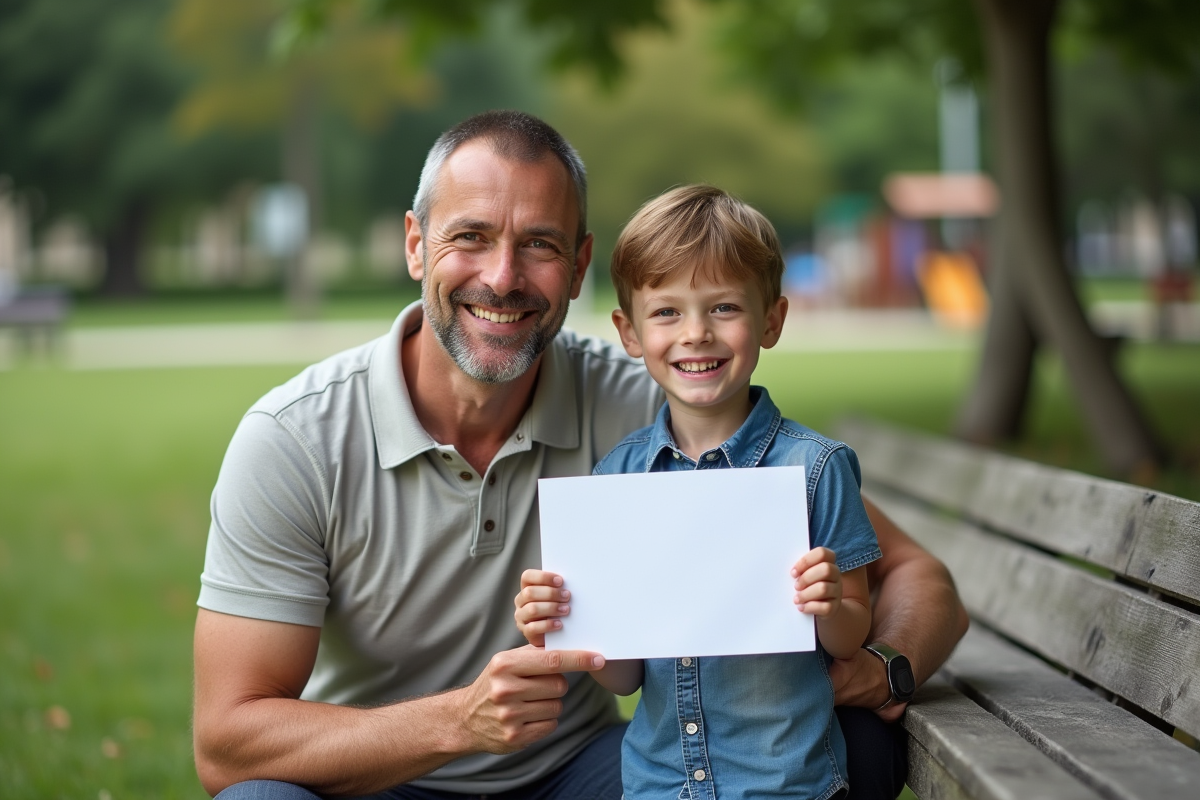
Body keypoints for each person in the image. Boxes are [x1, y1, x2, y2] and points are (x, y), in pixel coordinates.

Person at [193, 110, 968, 800]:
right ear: (415, 245)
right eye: (470, 237)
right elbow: (227, 743)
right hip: (381, 777)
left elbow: (916, 575)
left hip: (582, 770)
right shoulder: (295, 440)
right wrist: (457, 723)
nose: (502, 277)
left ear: (578, 265)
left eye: (539, 245)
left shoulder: (654, 408)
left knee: (854, 742)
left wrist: (883, 664)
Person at [516, 184, 883, 799]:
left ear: (772, 320)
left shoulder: (816, 469)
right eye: (666, 312)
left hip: (786, 784)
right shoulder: (618, 481)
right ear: (629, 333)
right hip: (660, 784)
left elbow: (852, 635)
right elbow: (626, 678)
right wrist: (571, 624)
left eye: (724, 308)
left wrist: (830, 604)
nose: (696, 334)